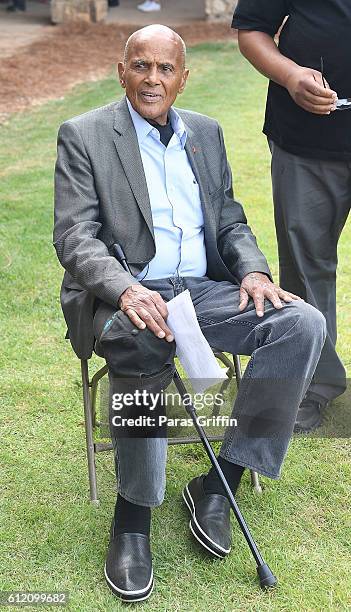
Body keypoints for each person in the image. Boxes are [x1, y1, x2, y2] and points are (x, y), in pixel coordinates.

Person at [53, 24, 326, 602]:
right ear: (122, 70)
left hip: (202, 290)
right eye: (141, 66)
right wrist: (128, 290)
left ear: (183, 77)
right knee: (143, 337)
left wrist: (252, 271)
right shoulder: (84, 134)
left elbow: (229, 220)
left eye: (166, 69)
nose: (153, 78)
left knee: (301, 323)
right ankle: (132, 519)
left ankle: (218, 484)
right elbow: (76, 238)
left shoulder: (205, 133)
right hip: (128, 293)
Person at [232, 0, 351, 433]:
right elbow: (251, 30)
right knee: (306, 267)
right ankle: (314, 383)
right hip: (306, 142)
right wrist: (290, 75)